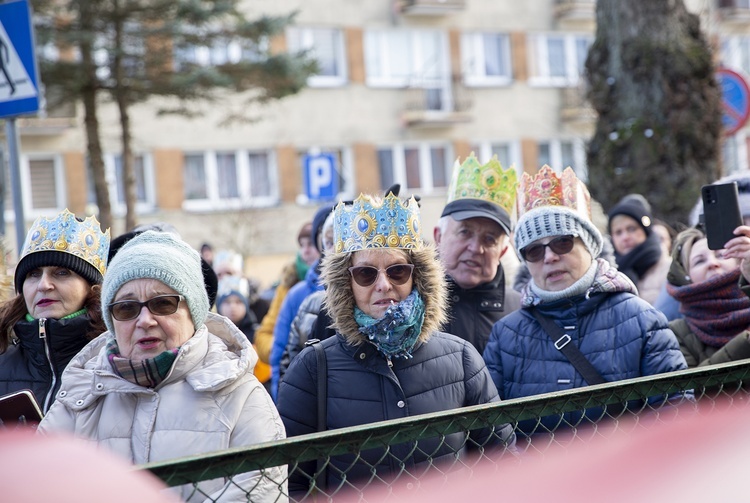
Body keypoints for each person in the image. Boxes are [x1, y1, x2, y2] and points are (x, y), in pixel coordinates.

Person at [277, 193, 516, 494]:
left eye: (397, 271)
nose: (383, 284)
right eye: (365, 273)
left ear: (417, 278)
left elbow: (502, 465)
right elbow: (289, 484)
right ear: (346, 283)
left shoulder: (462, 358)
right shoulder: (312, 368)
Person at [38, 231, 287, 502]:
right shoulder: (79, 394)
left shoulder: (241, 396)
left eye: (163, 303)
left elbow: (257, 493)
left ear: (193, 311)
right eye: (126, 308)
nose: (145, 320)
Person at [483, 166, 688, 436]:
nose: (549, 257)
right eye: (534, 250)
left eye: (562, 242)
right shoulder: (504, 335)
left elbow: (674, 417)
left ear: (589, 245)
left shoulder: (643, 320)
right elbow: (491, 433)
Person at [0, 209, 109, 413]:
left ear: (91, 288)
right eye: (33, 274)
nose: (43, 285)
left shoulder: (113, 362)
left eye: (61, 273)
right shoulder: (2, 358)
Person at [433, 154, 521, 354]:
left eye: (489, 239)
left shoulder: (522, 311)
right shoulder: (408, 307)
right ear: (438, 237)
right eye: (465, 232)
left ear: (503, 251)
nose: (476, 248)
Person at [268, 204, 333, 399]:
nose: (335, 249)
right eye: (328, 242)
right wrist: (281, 402)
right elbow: (282, 353)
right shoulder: (298, 294)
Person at [665, 226, 750, 367]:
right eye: (699, 261)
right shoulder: (676, 333)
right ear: (687, 276)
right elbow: (692, 386)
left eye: (720, 255)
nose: (712, 263)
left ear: (738, 260)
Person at [254, 221, 318, 364]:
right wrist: (280, 349)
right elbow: (264, 333)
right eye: (302, 245)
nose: (305, 251)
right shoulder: (287, 286)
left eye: (311, 244)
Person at [607, 194, 671, 305]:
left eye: (631, 229)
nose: (625, 237)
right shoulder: (607, 275)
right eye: (618, 232)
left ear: (645, 231)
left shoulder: (669, 270)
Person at [216, 275, 272, 392]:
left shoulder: (257, 334)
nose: (233, 307)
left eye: (238, 302)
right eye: (227, 302)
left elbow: (265, 373)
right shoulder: (213, 336)